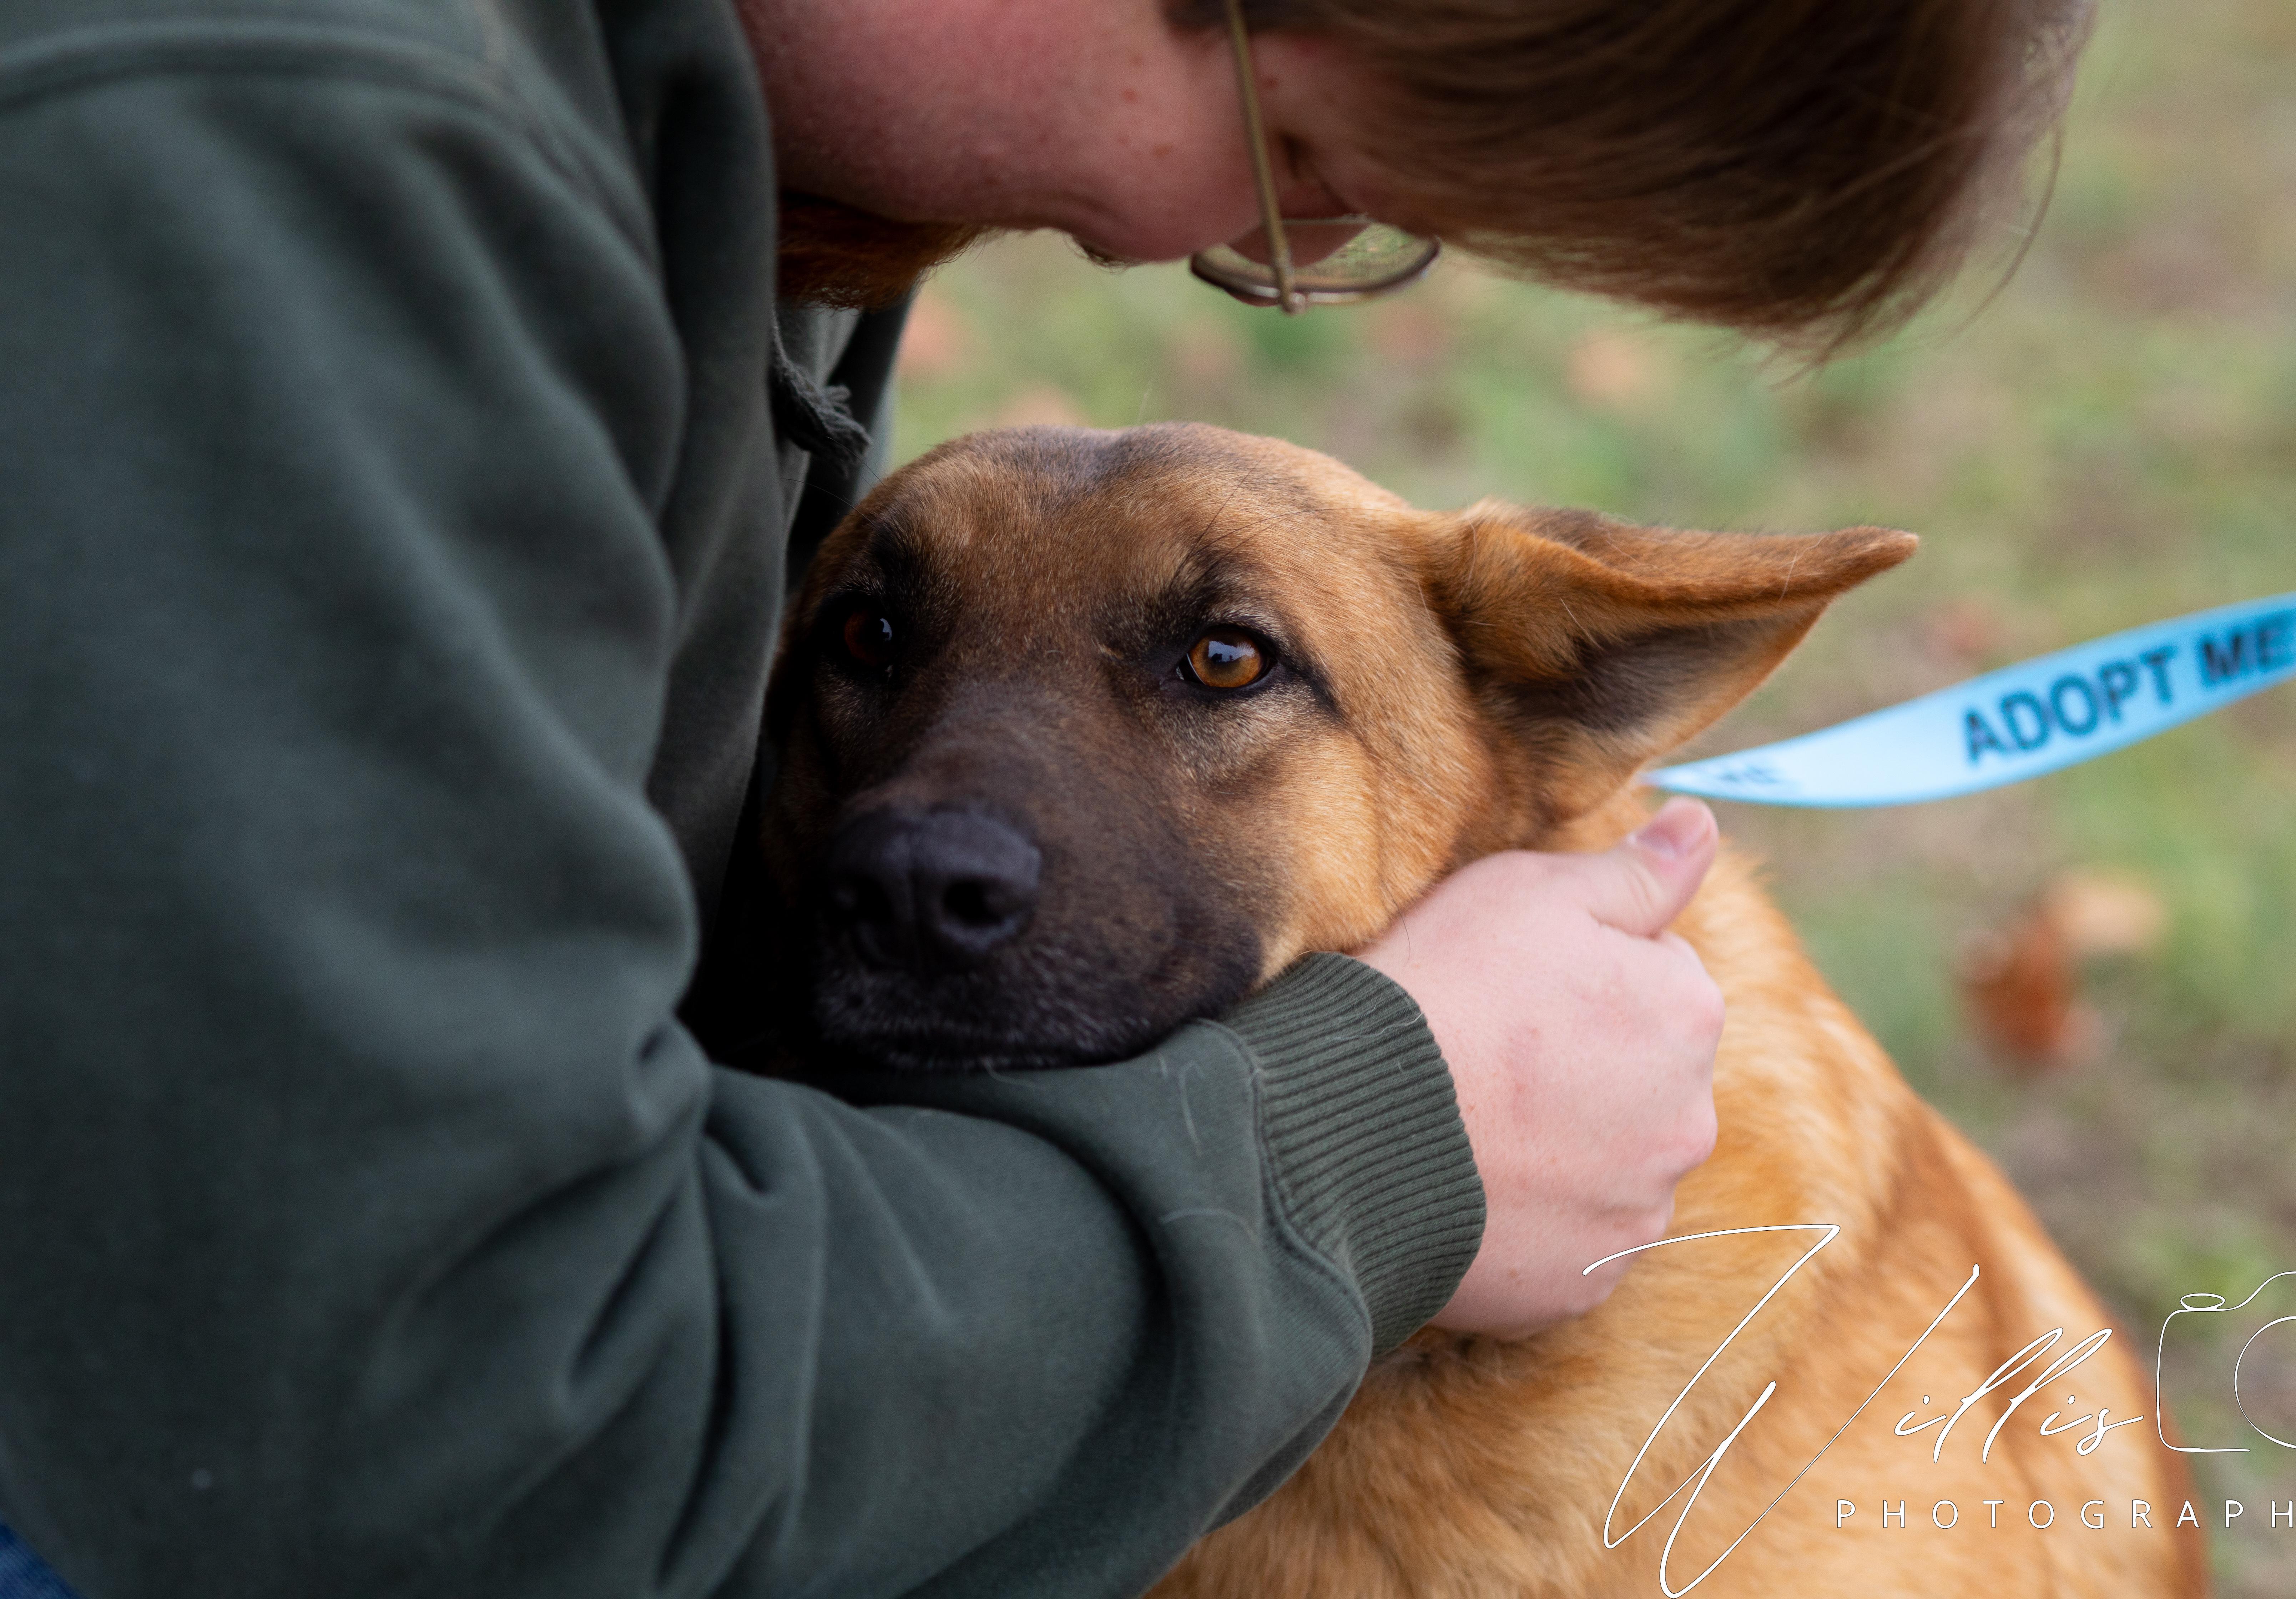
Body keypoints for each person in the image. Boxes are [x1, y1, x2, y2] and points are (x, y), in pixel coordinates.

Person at [0, 0, 2084, 1594]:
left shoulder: (786, 130)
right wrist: (1383, 1138)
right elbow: (439, 1428)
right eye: (1287, 156)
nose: (926, 833)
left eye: (1221, 667)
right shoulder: (312, 143)